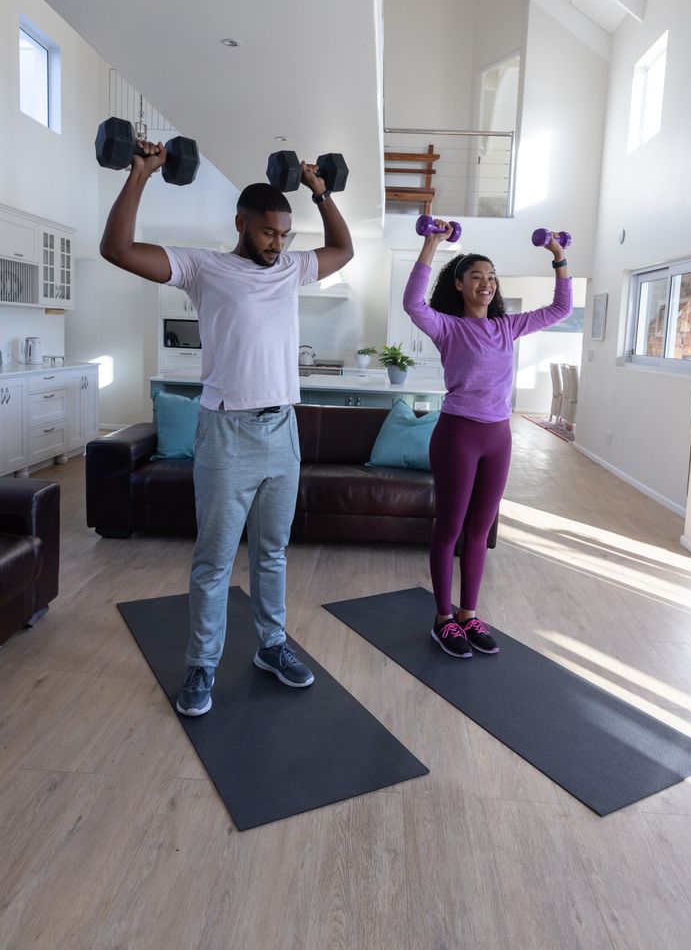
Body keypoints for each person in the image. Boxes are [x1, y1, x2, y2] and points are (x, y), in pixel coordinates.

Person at [100, 140, 353, 714]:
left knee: (272, 553)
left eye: (284, 235)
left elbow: (342, 247)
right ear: (240, 223)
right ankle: (201, 667)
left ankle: (271, 646)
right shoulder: (201, 267)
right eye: (268, 233)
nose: (278, 244)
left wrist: (320, 191)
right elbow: (116, 248)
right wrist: (141, 173)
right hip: (226, 435)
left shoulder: (291, 269)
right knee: (214, 561)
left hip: (283, 432)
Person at [403, 226, 572, 658]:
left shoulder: (507, 327)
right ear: (459, 284)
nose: (486, 283)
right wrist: (432, 244)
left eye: (491, 277)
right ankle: (443, 619)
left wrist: (557, 254)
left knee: (480, 531)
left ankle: (467, 614)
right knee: (451, 528)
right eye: (476, 275)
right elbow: (412, 303)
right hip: (458, 435)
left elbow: (561, 307)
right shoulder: (447, 327)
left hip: (499, 436)